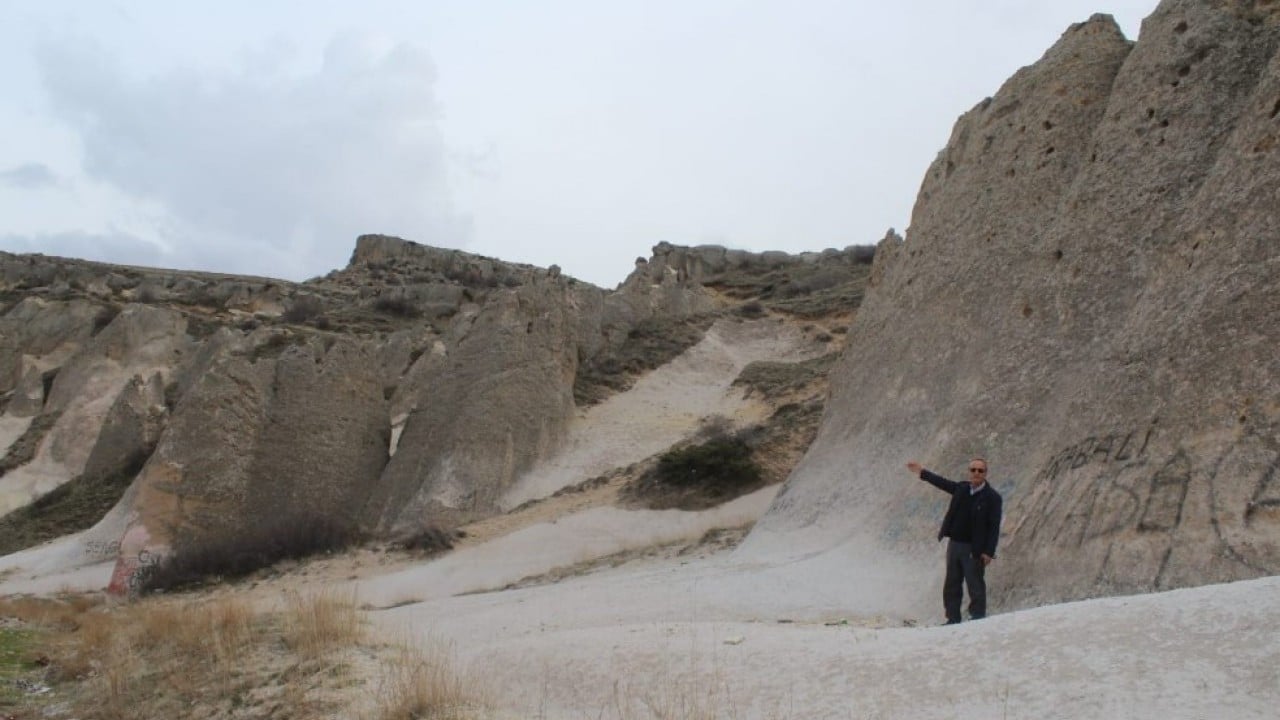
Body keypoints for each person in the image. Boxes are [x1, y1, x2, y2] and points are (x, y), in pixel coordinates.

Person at [905, 458, 1003, 624]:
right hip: (955, 545)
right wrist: (922, 472)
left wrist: (988, 552)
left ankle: (978, 617)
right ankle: (952, 618)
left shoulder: (992, 497)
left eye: (980, 471)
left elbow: (994, 527)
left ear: (986, 473)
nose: (976, 473)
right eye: (973, 470)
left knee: (975, 584)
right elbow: (941, 483)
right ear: (969, 471)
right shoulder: (962, 488)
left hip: (975, 549)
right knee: (952, 583)